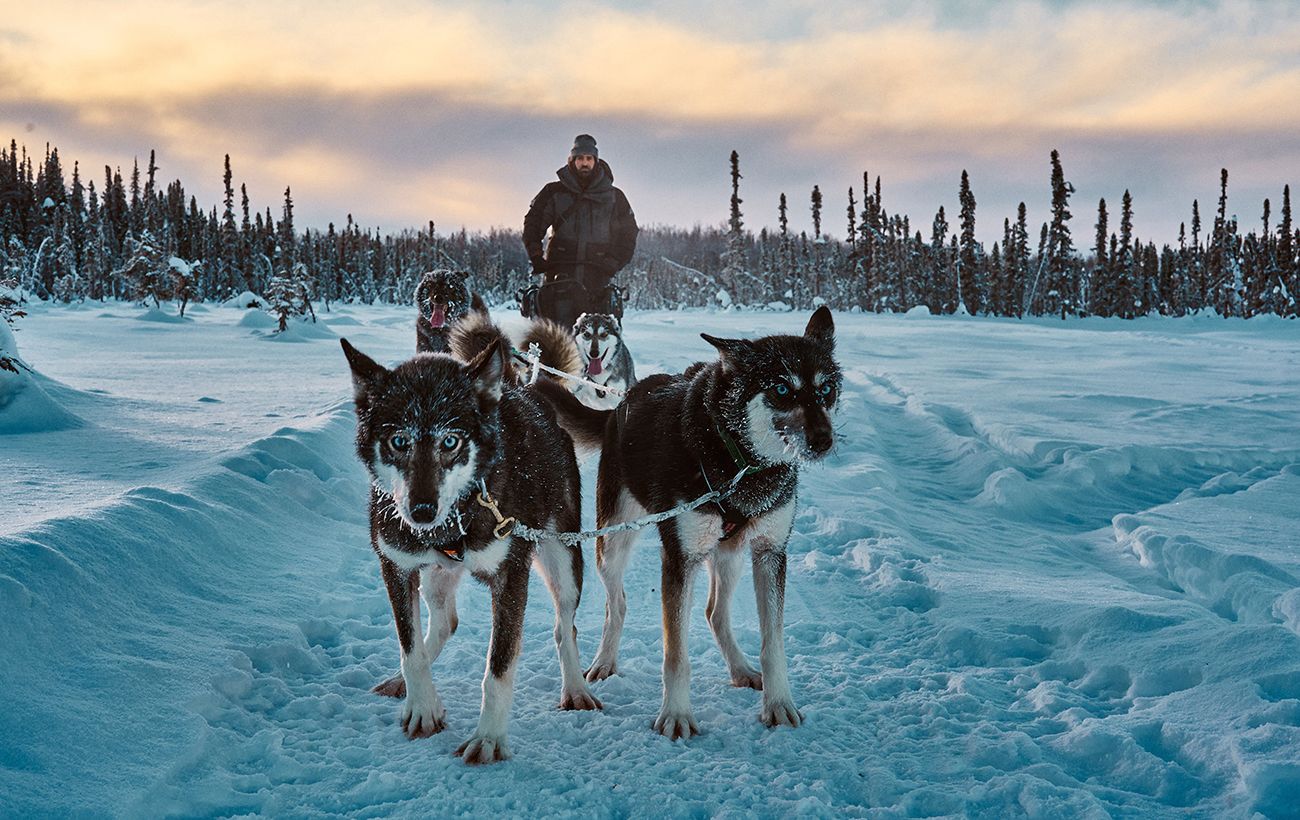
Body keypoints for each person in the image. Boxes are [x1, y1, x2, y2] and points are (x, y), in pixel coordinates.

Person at [522, 134, 638, 327]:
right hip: (559, 280)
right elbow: (533, 223)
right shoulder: (553, 192)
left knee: (596, 344)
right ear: (572, 160)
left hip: (597, 281)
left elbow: (628, 235)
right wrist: (536, 256)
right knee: (555, 341)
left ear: (596, 161)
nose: (584, 163)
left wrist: (613, 262)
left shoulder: (614, 197)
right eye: (580, 158)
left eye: (589, 158)